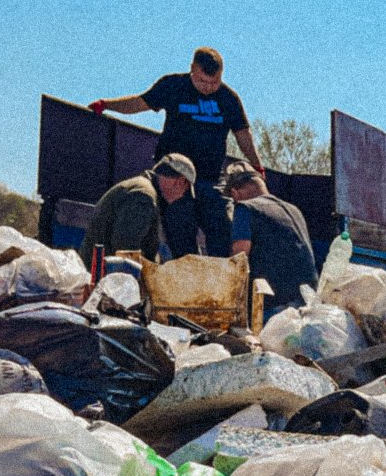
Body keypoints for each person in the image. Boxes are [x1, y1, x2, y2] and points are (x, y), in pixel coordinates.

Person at [89, 47, 262, 258]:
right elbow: (139, 103)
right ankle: (187, 271)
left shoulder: (228, 98)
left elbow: (242, 134)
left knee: (221, 228)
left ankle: (220, 278)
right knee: (180, 229)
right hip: (175, 179)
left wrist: (256, 164)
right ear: (192, 70)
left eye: (214, 82)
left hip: (209, 179)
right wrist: (106, 105)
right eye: (202, 81)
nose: (208, 87)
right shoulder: (173, 86)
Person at [222, 164, 317, 317]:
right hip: (309, 303)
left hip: (274, 309)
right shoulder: (294, 210)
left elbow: (239, 260)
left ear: (235, 193)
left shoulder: (245, 208)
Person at [78, 153, 194, 265]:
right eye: (186, 190)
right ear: (180, 182)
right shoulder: (144, 197)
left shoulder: (142, 189)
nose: (182, 195)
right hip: (104, 278)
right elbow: (126, 250)